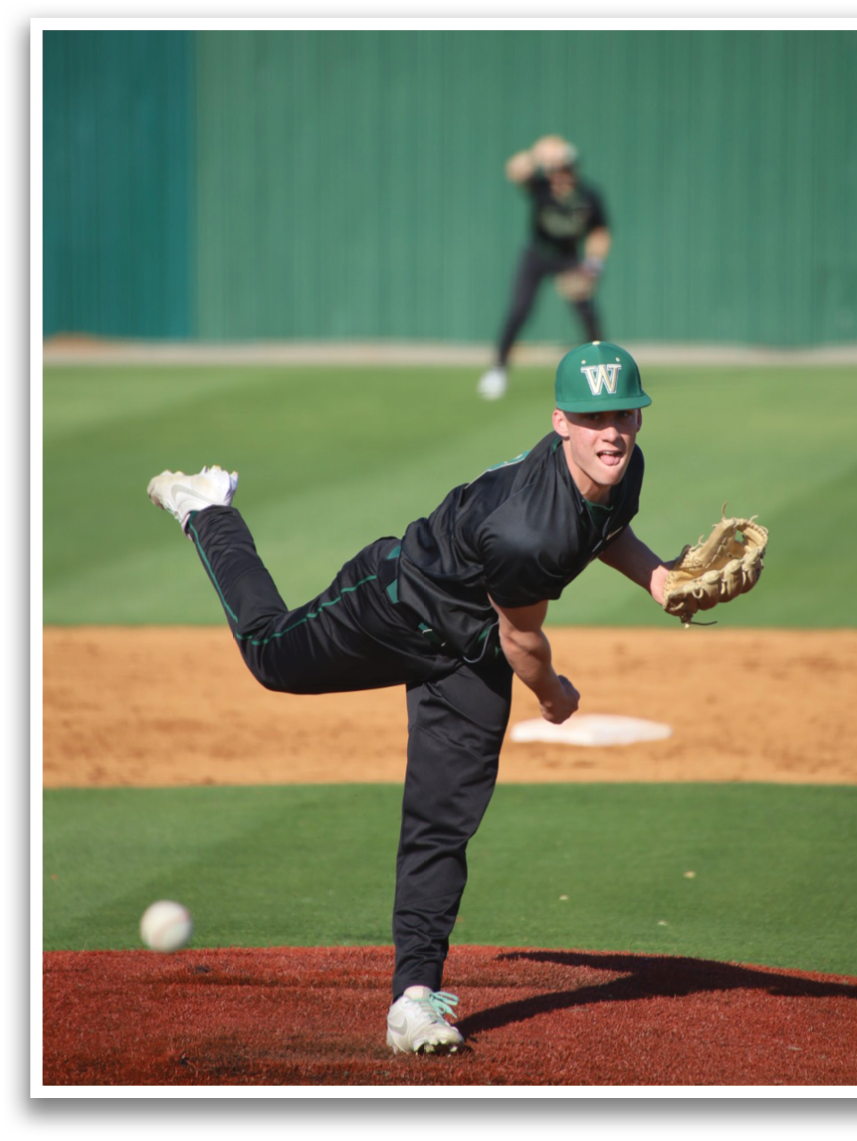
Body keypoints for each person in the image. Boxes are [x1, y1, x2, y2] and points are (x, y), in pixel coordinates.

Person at [147, 340, 671, 1055]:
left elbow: (604, 529)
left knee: (442, 821)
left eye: (623, 415)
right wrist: (552, 697)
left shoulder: (623, 467)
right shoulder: (525, 529)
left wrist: (659, 579)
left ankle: (413, 999)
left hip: (470, 654)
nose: (611, 432)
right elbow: (523, 641)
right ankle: (207, 509)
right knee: (270, 656)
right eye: (592, 418)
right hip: (395, 605)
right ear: (560, 422)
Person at [477, 136, 611, 401]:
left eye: (565, 169)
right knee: (519, 310)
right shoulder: (541, 188)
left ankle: (605, 369)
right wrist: (538, 154)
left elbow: (600, 232)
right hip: (537, 255)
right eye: (555, 170)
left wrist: (592, 266)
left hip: (568, 258)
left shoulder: (588, 196)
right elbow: (515, 170)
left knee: (588, 315)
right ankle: (498, 370)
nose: (560, 176)